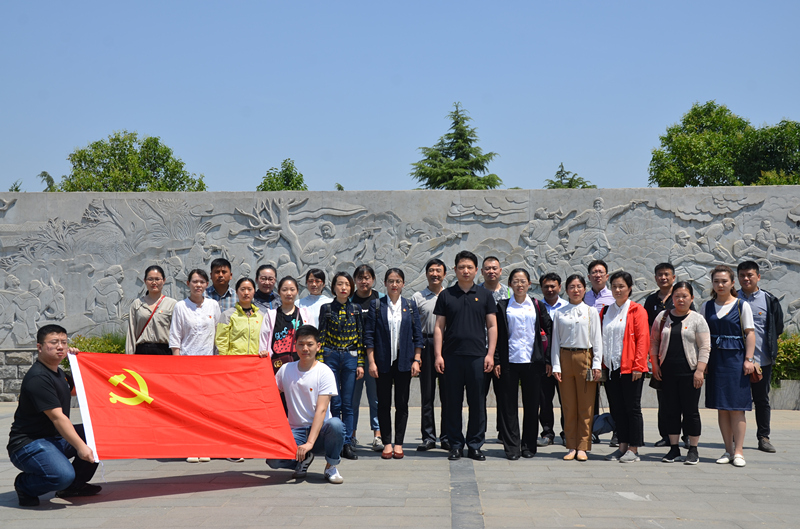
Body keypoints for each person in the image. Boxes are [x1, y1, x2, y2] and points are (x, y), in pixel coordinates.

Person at [8, 325, 100, 506]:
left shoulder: (58, 373)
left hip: (54, 439)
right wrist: (81, 446)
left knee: (96, 434)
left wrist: (77, 362)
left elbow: (76, 390)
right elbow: (58, 417)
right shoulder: (38, 378)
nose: (60, 346)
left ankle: (74, 486)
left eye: (64, 342)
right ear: (40, 347)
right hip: (29, 444)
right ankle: (24, 485)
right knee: (62, 475)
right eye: (54, 342)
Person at [434, 250, 498, 461]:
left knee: (477, 403)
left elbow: (492, 326)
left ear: (476, 270)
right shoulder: (446, 295)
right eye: (461, 267)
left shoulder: (485, 295)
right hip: (451, 357)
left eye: (470, 267)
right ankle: (455, 444)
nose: (466, 271)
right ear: (455, 270)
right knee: (452, 403)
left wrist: (490, 354)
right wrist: (438, 355)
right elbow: (439, 327)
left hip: (478, 357)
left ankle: (475, 445)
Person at [266, 325, 346, 484]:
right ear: (295, 346)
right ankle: (302, 460)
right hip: (296, 431)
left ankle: (331, 466)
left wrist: (310, 442)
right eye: (301, 344)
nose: (305, 349)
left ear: (318, 346)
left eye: (310, 344)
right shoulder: (285, 370)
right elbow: (269, 395)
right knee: (273, 460)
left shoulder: (324, 371)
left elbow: (322, 409)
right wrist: (262, 361)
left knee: (336, 425)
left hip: (322, 432)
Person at [365, 268, 424, 459]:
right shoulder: (377, 305)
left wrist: (417, 359)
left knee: (402, 404)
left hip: (404, 361)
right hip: (382, 362)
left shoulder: (410, 305)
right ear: (385, 283)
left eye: (398, 281)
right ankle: (387, 443)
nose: (394, 284)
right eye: (391, 281)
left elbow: (417, 335)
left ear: (403, 284)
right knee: (383, 404)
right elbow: (369, 336)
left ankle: (398, 443)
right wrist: (371, 362)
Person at [494, 268, 553, 460]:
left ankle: (528, 445)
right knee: (508, 406)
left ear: (529, 283)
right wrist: (497, 360)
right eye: (515, 281)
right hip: (509, 361)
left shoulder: (537, 305)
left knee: (532, 405)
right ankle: (512, 447)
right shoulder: (502, 306)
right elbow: (496, 335)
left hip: (532, 362)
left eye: (523, 281)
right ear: (510, 284)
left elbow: (549, 330)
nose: (519, 284)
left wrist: (547, 359)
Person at [650, 282, 710, 465]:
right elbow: (654, 342)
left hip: (690, 373)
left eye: (684, 296)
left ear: (692, 298)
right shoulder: (663, 317)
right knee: (671, 411)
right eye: (677, 296)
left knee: (691, 412)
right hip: (667, 373)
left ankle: (693, 449)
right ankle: (674, 448)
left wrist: (700, 370)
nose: (680, 300)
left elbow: (705, 347)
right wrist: (655, 365)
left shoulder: (697, 319)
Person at [702, 265, 756, 468]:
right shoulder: (706, 306)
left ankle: (739, 451)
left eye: (724, 281)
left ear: (732, 283)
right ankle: (728, 450)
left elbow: (750, 333)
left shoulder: (742, 305)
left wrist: (748, 359)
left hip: (736, 361)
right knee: (722, 408)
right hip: (715, 361)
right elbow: (702, 336)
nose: (720, 285)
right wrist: (703, 362)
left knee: (737, 408)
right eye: (716, 281)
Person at [169, 269, 220, 463]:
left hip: (208, 364)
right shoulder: (181, 306)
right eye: (195, 282)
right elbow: (175, 337)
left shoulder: (213, 305)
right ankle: (191, 446)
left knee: (207, 408)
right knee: (189, 408)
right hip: (187, 364)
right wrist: (177, 363)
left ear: (207, 284)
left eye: (202, 282)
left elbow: (218, 333)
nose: (198, 285)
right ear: (188, 283)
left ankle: (205, 446)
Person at [551, 274, 603, 461]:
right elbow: (555, 341)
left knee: (586, 406)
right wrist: (556, 365)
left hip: (585, 358)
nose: (575, 290)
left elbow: (597, 339)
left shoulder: (591, 311)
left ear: (584, 289)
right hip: (565, 357)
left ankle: (583, 446)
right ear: (566, 290)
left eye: (579, 286)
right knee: (568, 405)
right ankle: (571, 445)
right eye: (572, 287)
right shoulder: (560, 312)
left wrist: (597, 363)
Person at [600, 271, 650, 463]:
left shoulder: (637, 310)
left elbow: (643, 339)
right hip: (611, 367)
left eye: (621, 286)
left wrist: (639, 365)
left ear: (629, 288)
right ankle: (621, 447)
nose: (618, 290)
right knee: (617, 409)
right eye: (614, 286)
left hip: (631, 368)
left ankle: (634, 449)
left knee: (632, 408)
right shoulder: (606, 311)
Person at [737, 261, 784, 453]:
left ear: (758, 276)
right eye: (742, 275)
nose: (746, 279)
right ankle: (735, 438)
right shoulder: (732, 299)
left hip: (762, 361)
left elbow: (777, 328)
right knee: (736, 401)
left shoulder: (769, 300)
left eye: (750, 275)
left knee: (762, 400)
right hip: (737, 361)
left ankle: (763, 437)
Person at [318, 271, 364, 460]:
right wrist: (320, 361)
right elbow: (321, 335)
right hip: (331, 356)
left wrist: (360, 363)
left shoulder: (356, 309)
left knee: (348, 403)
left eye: (347, 284)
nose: (343, 288)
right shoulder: (327, 308)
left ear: (351, 288)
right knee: (334, 402)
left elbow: (360, 337)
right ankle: (334, 442)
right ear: (333, 287)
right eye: (339, 284)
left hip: (351, 356)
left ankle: (347, 443)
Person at [643, 263, 684, 448]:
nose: (663, 278)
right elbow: (646, 328)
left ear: (673, 277)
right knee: (664, 398)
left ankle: (686, 435)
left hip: (681, 354)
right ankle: (666, 435)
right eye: (660, 275)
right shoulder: (651, 300)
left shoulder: (681, 296)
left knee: (683, 399)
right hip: (660, 356)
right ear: (655, 278)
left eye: (667, 274)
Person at [412, 258, 449, 451]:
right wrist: (416, 356)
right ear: (426, 274)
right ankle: (428, 437)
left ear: (444, 274)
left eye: (438, 271)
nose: (435, 274)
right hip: (425, 344)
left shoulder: (450, 295)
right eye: (431, 271)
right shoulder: (418, 297)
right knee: (427, 394)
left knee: (447, 394)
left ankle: (447, 436)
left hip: (447, 347)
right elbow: (413, 328)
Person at [349, 264, 384, 451]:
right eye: (360, 278)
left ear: (373, 279)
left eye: (367, 277)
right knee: (352, 399)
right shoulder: (348, 300)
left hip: (375, 358)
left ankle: (378, 435)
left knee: (375, 398)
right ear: (355, 280)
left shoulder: (380, 299)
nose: (364, 281)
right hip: (353, 357)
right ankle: (352, 435)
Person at [583, 259, 617, 446]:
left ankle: (618, 430)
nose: (597, 275)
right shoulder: (584, 297)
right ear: (589, 277)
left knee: (613, 393)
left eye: (600, 272)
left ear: (607, 276)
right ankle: (592, 431)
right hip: (589, 352)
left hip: (609, 353)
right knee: (591, 395)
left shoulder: (613, 297)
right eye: (594, 272)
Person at [479, 256, 512, 443]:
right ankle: (479, 432)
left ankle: (503, 432)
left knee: (504, 395)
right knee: (479, 395)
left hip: (504, 352)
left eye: (494, 268)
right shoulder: (476, 292)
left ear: (500, 271)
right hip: (481, 350)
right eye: (487, 268)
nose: (491, 271)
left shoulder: (509, 293)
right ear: (482, 272)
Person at [538, 273, 568, 447]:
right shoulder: (536, 307)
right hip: (543, 362)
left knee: (566, 400)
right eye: (546, 287)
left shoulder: (567, 307)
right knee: (544, 400)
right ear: (541, 288)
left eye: (553, 286)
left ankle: (567, 432)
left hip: (564, 360)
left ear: (560, 287)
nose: (549, 289)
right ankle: (547, 433)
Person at [259, 276, 312, 374]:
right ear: (279, 292)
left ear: (297, 291)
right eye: (284, 290)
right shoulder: (271, 315)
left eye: (292, 289)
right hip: (277, 366)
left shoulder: (305, 314)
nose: (288, 293)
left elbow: (312, 339)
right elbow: (263, 340)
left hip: (301, 365)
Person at [125, 265, 177, 355]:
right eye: (150, 279)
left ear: (164, 280)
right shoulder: (137, 304)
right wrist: (129, 355)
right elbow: (131, 332)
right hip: (142, 352)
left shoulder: (172, 304)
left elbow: (177, 334)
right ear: (145, 281)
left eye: (157, 279)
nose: (154, 282)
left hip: (164, 352)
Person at [215, 278, 263, 356]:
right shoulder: (227, 315)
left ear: (254, 291)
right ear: (236, 292)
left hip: (255, 359)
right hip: (234, 360)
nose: (246, 293)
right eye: (242, 289)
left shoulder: (260, 316)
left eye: (249, 289)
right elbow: (221, 341)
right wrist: (223, 359)